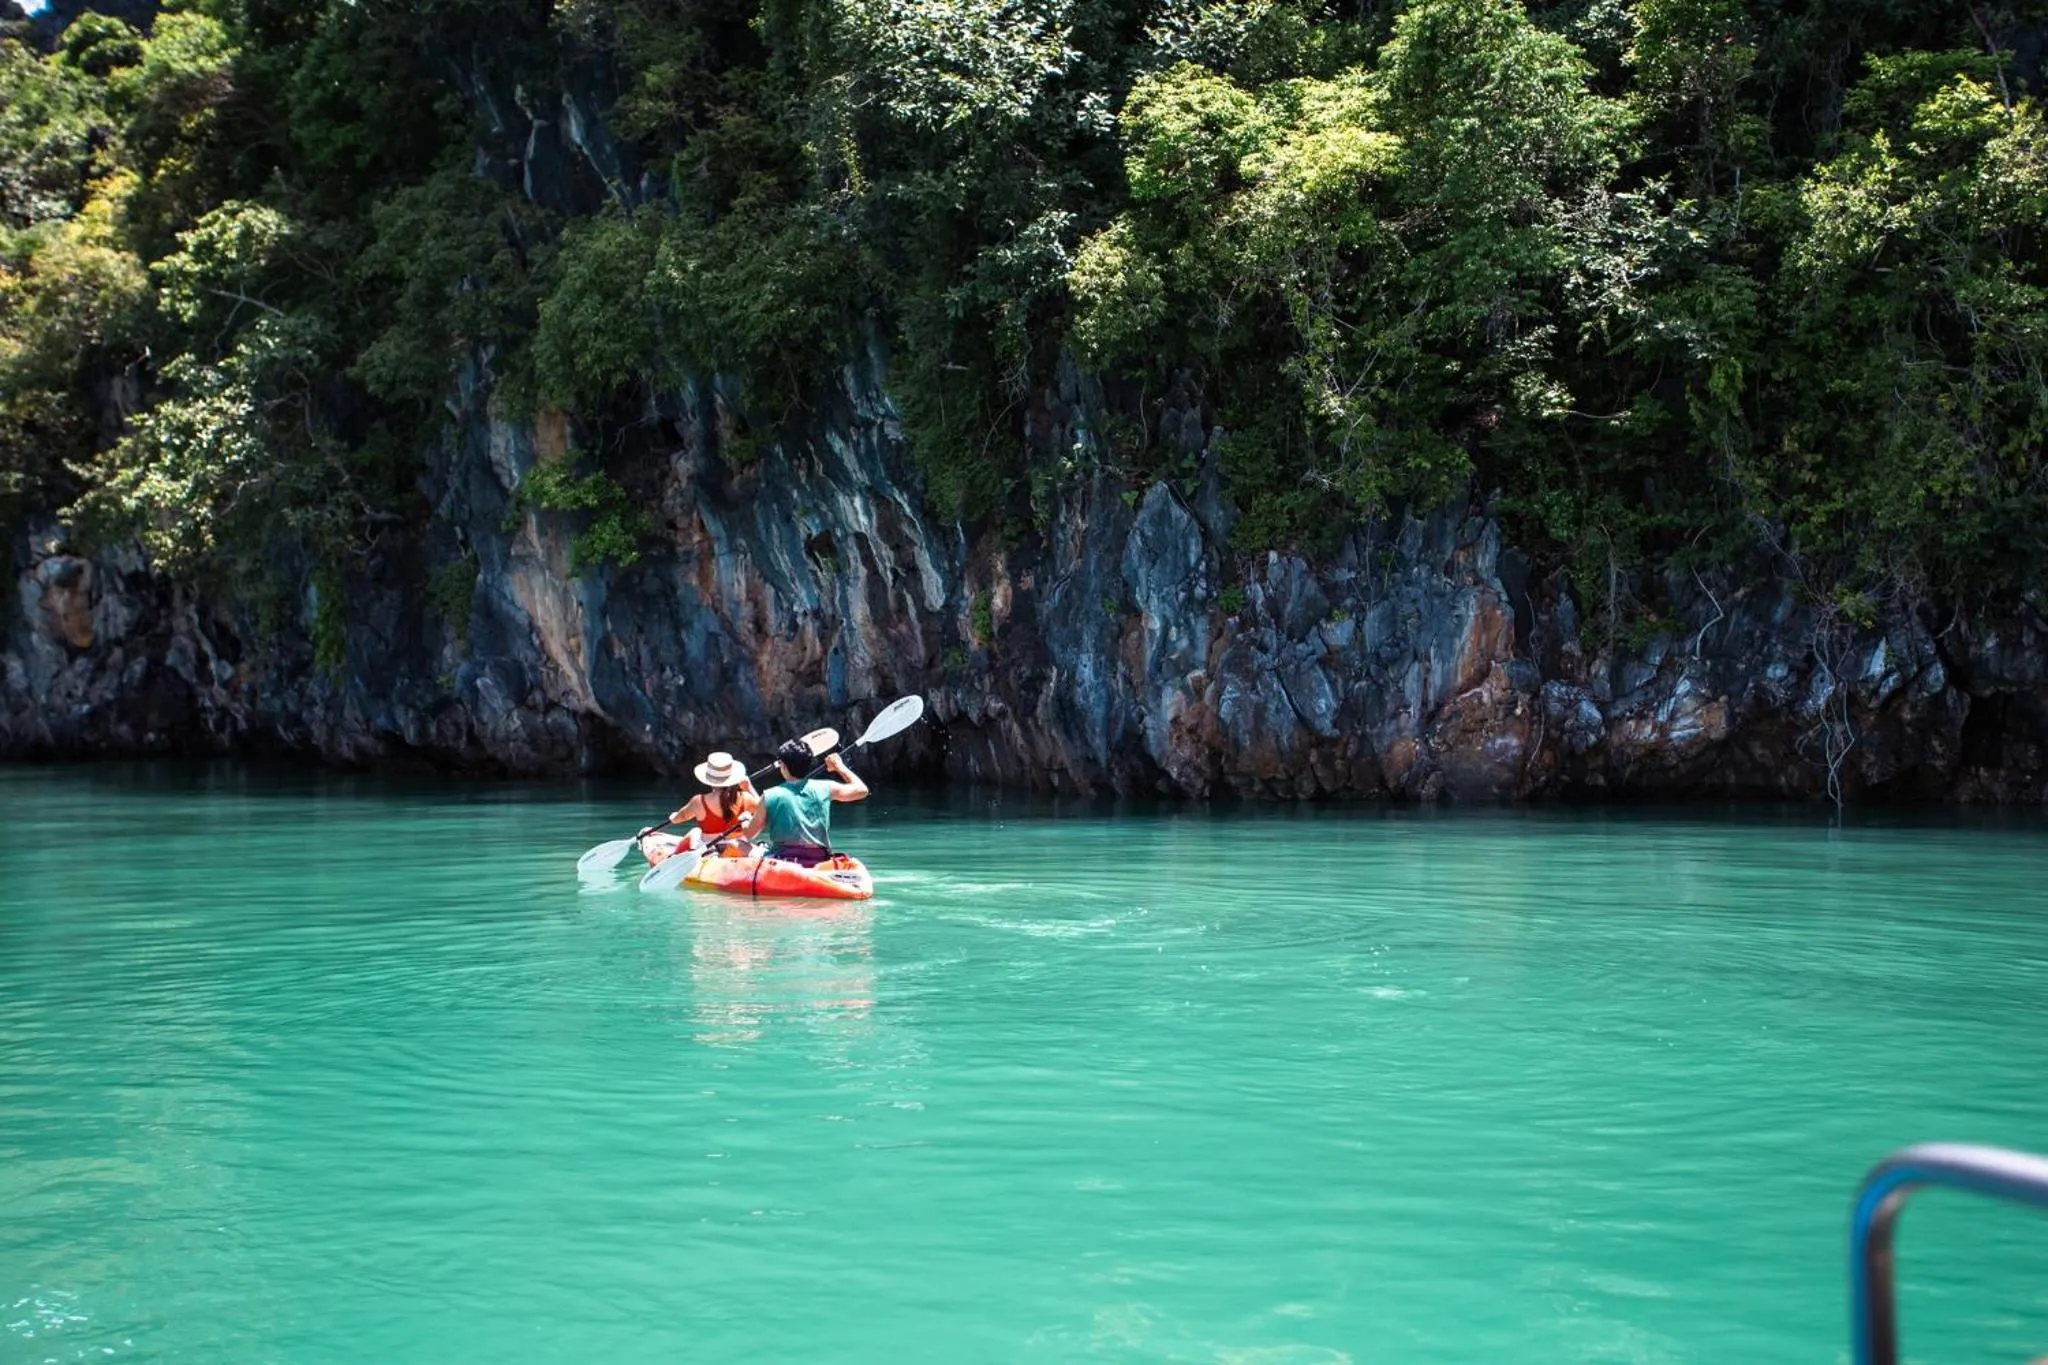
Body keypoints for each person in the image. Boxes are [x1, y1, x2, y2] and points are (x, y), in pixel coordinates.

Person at [759, 737, 867, 866]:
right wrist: (840, 767)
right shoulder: (827, 788)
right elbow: (862, 790)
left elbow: (750, 833)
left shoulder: (769, 795)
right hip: (820, 860)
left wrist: (745, 821)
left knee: (745, 846)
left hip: (782, 860)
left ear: (783, 766)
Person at [645, 751, 760, 857]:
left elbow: (679, 818)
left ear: (709, 780)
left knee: (695, 832)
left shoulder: (698, 802)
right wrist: (748, 787)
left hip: (710, 851)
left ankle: (673, 856)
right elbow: (764, 809)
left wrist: (673, 817)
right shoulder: (746, 798)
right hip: (738, 849)